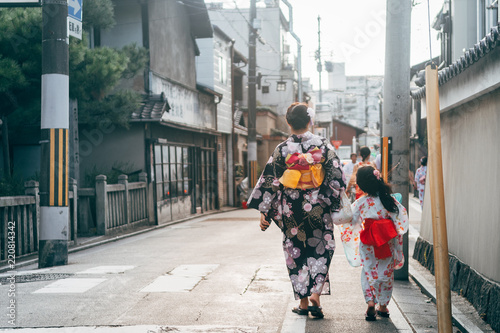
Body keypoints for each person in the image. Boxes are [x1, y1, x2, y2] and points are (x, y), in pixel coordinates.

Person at [247, 102, 346, 319]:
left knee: (296, 252)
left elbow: (270, 181)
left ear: (288, 122)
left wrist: (265, 211)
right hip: (318, 206)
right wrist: (329, 200)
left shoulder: (282, 149)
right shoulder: (324, 146)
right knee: (322, 249)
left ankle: (303, 302)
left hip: (292, 210)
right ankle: (315, 296)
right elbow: (338, 178)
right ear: (310, 120)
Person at [339, 166, 408, 321]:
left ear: (361, 185)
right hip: (386, 240)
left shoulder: (361, 202)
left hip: (368, 242)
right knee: (386, 272)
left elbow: (350, 219)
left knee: (369, 271)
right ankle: (383, 306)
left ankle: (370, 302)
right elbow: (401, 219)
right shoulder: (389, 200)